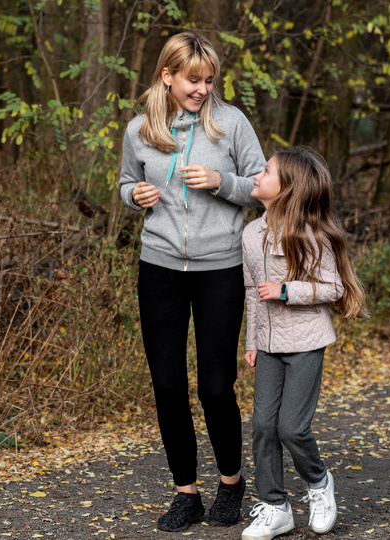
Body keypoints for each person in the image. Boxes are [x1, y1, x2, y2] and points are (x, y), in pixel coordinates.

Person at [118, 32, 266, 532]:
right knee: (167, 385)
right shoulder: (139, 129)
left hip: (219, 268)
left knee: (216, 387)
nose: (203, 89)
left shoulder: (232, 123)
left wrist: (222, 183)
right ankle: (187, 494)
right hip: (159, 268)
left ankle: (231, 484)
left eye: (209, 80)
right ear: (168, 76)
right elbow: (125, 182)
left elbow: (264, 188)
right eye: (193, 80)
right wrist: (134, 195)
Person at [240, 148, 367, 540]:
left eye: (266, 171)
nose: (257, 175)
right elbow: (251, 291)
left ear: (288, 187)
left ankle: (319, 481)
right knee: (263, 426)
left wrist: (285, 290)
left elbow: (333, 287)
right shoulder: (251, 234)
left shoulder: (312, 235)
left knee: (292, 428)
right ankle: (275, 508)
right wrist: (251, 340)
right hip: (268, 344)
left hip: (307, 340)